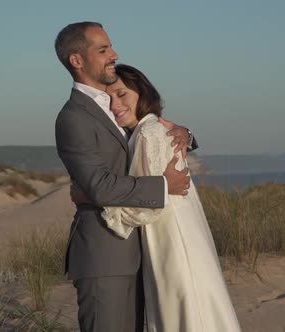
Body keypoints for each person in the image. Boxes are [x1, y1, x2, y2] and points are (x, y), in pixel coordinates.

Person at [54, 22, 197, 331]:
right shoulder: (73, 117)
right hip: (103, 255)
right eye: (103, 49)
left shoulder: (114, 104)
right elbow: (100, 186)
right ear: (77, 60)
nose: (114, 54)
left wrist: (185, 133)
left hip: (139, 253)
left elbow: (152, 132)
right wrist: (164, 185)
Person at [100, 64, 242, 331]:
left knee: (183, 310)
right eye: (107, 99)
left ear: (142, 93)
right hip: (172, 233)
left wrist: (105, 207)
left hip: (171, 237)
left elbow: (148, 206)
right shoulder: (144, 131)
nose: (114, 105)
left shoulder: (148, 132)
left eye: (121, 95)